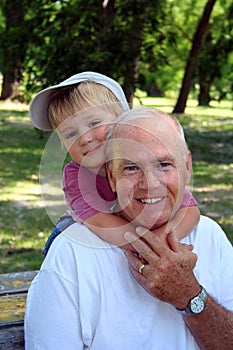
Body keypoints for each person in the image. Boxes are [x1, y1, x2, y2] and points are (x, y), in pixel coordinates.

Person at [25, 107, 233, 349]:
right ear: (111, 178)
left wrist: (189, 296)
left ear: (187, 167)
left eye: (164, 164)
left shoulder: (210, 235)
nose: (150, 184)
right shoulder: (72, 254)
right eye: (131, 168)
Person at [29, 71, 199, 255]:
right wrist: (150, 247)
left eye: (94, 123)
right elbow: (102, 223)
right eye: (70, 134)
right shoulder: (75, 177)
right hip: (93, 226)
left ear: (121, 122)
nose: (84, 138)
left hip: (133, 226)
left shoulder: (144, 158)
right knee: (67, 241)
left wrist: (165, 239)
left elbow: (190, 210)